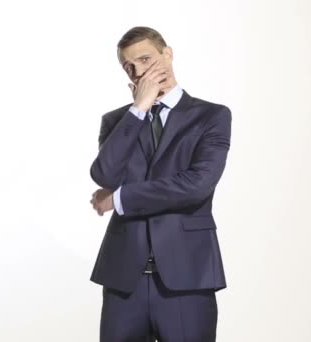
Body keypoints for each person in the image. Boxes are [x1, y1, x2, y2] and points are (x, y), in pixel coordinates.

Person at [89, 26, 232, 342]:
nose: (139, 71)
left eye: (145, 59)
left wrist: (121, 198)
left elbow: (196, 185)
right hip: (123, 279)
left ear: (168, 54)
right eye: (130, 67)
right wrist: (138, 109)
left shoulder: (211, 116)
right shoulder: (116, 121)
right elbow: (104, 176)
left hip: (187, 277)